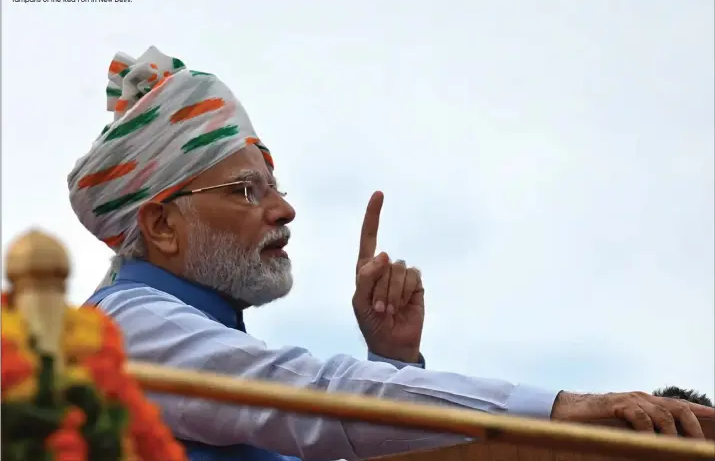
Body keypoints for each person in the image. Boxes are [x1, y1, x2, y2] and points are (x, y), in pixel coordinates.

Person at [68, 46, 714, 461]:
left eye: (276, 188)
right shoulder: (122, 330)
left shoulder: (189, 338)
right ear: (162, 225)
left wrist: (392, 360)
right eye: (245, 190)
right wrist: (566, 413)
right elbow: (309, 398)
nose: (283, 210)